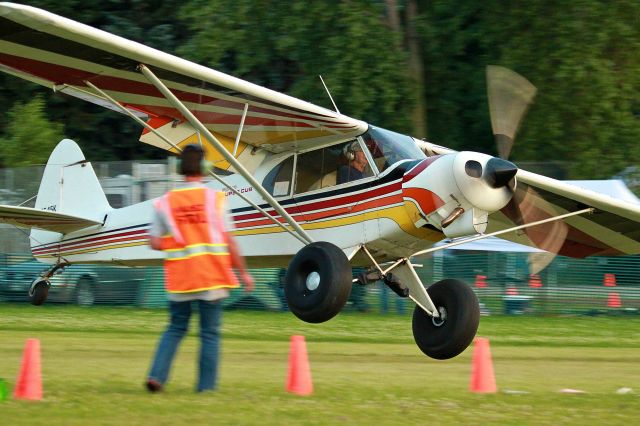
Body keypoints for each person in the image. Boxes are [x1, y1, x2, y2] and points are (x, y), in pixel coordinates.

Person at [146, 144, 254, 393]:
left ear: (178, 168)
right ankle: (205, 387)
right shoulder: (216, 199)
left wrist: (176, 244)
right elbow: (228, 241)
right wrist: (243, 272)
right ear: (205, 168)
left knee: (175, 328)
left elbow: (152, 241)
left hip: (180, 279)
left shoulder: (165, 202)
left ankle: (156, 376)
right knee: (209, 334)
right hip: (211, 278)